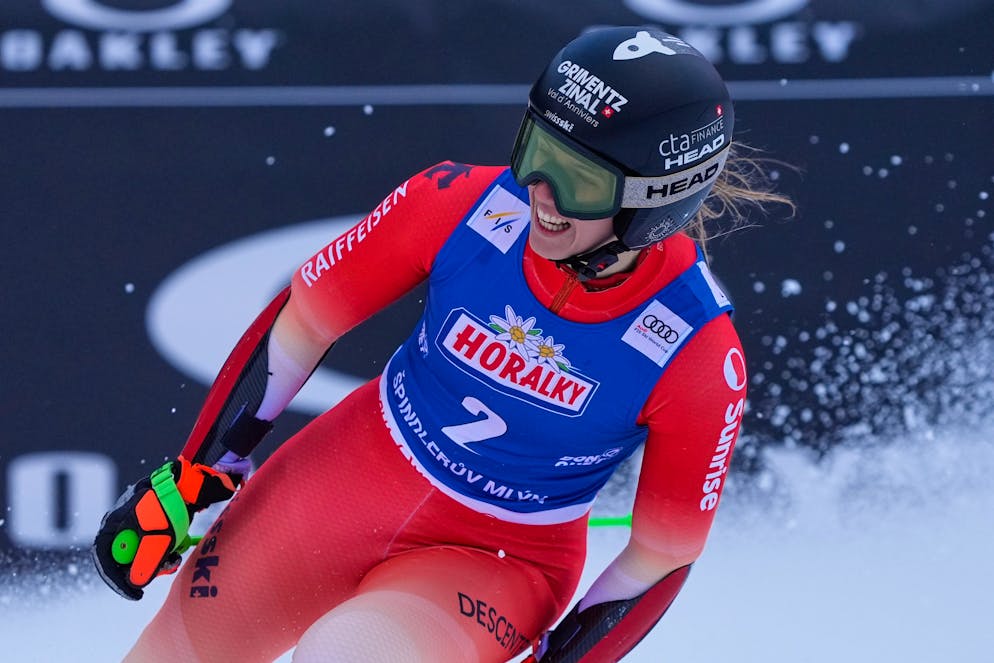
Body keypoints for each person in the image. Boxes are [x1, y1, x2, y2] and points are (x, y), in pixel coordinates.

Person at [93, 26, 789, 663]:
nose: (539, 194)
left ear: (656, 198)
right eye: (536, 151)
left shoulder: (697, 351)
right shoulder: (456, 203)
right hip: (346, 476)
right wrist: (199, 472)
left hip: (500, 556)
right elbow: (303, 320)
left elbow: (662, 553)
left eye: (578, 180)